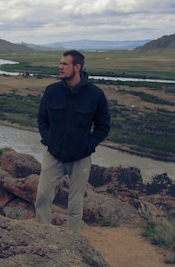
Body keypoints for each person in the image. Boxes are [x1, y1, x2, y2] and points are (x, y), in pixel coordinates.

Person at [34, 49, 110, 232]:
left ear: (77, 67)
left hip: (80, 158)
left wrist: (88, 146)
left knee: (75, 204)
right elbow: (42, 119)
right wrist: (48, 140)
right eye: (60, 63)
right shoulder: (51, 91)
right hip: (54, 154)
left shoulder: (95, 95)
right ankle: (44, 234)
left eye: (65, 64)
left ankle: (72, 239)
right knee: (43, 196)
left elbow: (103, 126)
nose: (60, 67)